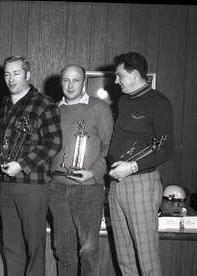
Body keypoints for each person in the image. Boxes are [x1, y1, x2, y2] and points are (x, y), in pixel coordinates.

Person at [108, 52, 174, 276]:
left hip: (141, 185)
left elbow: (166, 148)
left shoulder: (159, 102)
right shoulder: (124, 100)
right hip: (117, 183)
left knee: (146, 259)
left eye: (120, 76)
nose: (116, 82)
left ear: (135, 74)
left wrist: (132, 166)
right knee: (125, 257)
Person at [0, 56, 62, 276]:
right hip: (6, 184)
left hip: (33, 185)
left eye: (16, 73)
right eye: (7, 74)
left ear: (27, 75)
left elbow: (54, 143)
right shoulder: (5, 103)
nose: (11, 79)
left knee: (35, 248)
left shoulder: (44, 103)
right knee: (11, 246)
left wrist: (22, 164)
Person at [48, 65, 114, 275]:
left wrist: (94, 172)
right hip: (57, 189)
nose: (70, 85)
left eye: (75, 80)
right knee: (63, 252)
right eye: (66, 80)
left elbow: (110, 146)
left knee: (88, 250)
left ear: (84, 82)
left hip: (88, 189)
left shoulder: (99, 108)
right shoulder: (52, 110)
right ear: (60, 82)